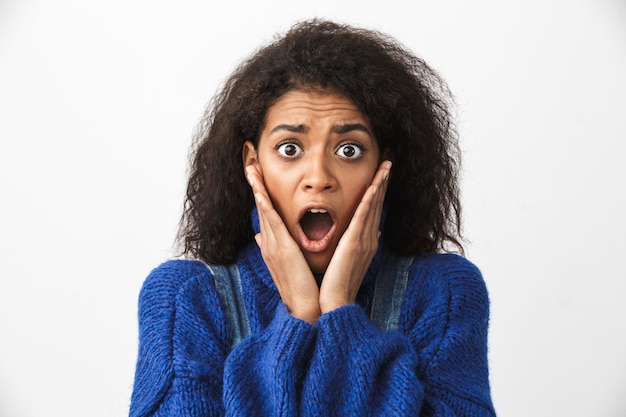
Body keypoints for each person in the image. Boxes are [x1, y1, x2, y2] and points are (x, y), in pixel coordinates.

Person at [129, 18, 496, 417]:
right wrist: (299, 317)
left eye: (349, 150)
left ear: (382, 167)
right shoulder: (186, 298)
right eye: (290, 148)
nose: (319, 178)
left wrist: (339, 312)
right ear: (254, 163)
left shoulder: (444, 294)